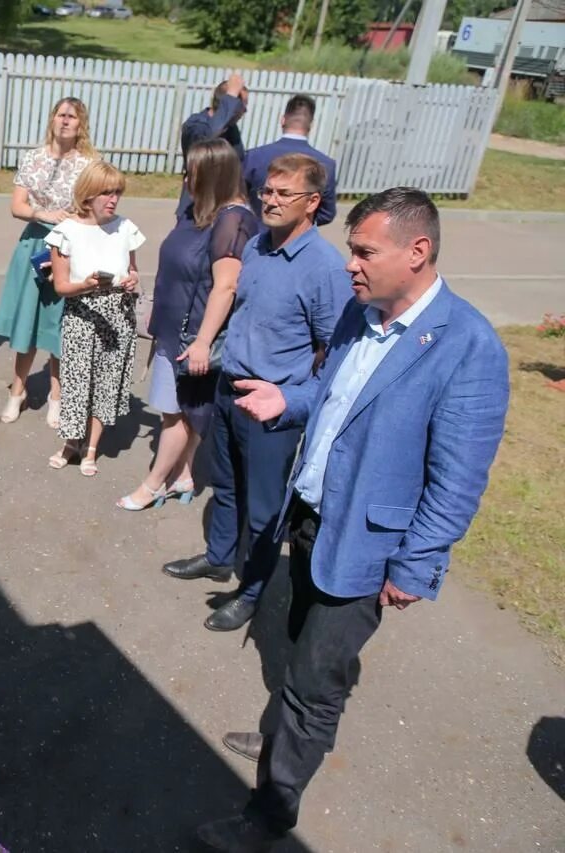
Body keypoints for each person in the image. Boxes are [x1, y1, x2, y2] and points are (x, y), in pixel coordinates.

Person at [194, 187, 509, 852]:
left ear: (417, 251)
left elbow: (457, 480)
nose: (350, 265)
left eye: (365, 251)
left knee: (314, 679)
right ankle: (288, 736)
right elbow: (331, 393)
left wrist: (416, 563)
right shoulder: (360, 314)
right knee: (298, 647)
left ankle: (268, 815)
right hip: (310, 520)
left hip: (368, 547)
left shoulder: (467, 345)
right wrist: (288, 396)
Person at [162, 153, 349, 632]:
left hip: (273, 407)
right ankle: (219, 557)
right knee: (225, 484)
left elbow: (335, 347)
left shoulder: (324, 267)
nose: (270, 200)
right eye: (267, 190)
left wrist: (294, 395)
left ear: (312, 202)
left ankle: (251, 591)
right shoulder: (258, 246)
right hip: (230, 388)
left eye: (283, 194)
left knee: (265, 507)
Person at [119, 139, 259, 511]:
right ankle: (183, 474)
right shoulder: (200, 210)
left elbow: (226, 286)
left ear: (214, 174)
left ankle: (153, 485)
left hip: (192, 334)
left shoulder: (233, 220)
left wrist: (202, 341)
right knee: (175, 408)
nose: (185, 177)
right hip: (172, 327)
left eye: (192, 171)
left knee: (178, 410)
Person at [0, 96, 96, 426]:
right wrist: (43, 213)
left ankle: (56, 396)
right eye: (61, 115)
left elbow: (95, 209)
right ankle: (17, 392)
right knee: (28, 323)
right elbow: (17, 206)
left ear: (81, 125)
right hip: (35, 244)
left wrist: (74, 225)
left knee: (59, 325)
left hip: (69, 247)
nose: (65, 121)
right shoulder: (33, 158)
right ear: (52, 119)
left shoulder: (89, 164)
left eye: (72, 117)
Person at [44, 160, 144, 477]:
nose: (113, 199)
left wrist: (131, 279)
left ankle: (91, 449)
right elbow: (60, 287)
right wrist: (85, 285)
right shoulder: (65, 232)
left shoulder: (125, 227)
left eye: (117, 192)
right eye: (106, 192)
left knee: (106, 384)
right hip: (81, 317)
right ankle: (71, 443)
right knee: (76, 385)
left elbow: (133, 270)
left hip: (118, 315)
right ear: (88, 195)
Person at [243, 95, 338, 227]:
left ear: (282, 120)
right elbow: (327, 213)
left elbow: (239, 200)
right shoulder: (326, 164)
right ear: (311, 125)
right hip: (297, 240)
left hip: (255, 233)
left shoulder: (253, 156)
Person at [175, 73, 248, 218]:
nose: (245, 110)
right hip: (197, 206)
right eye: (243, 105)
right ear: (228, 104)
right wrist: (232, 95)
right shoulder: (196, 125)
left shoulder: (230, 128)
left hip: (224, 205)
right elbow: (208, 139)